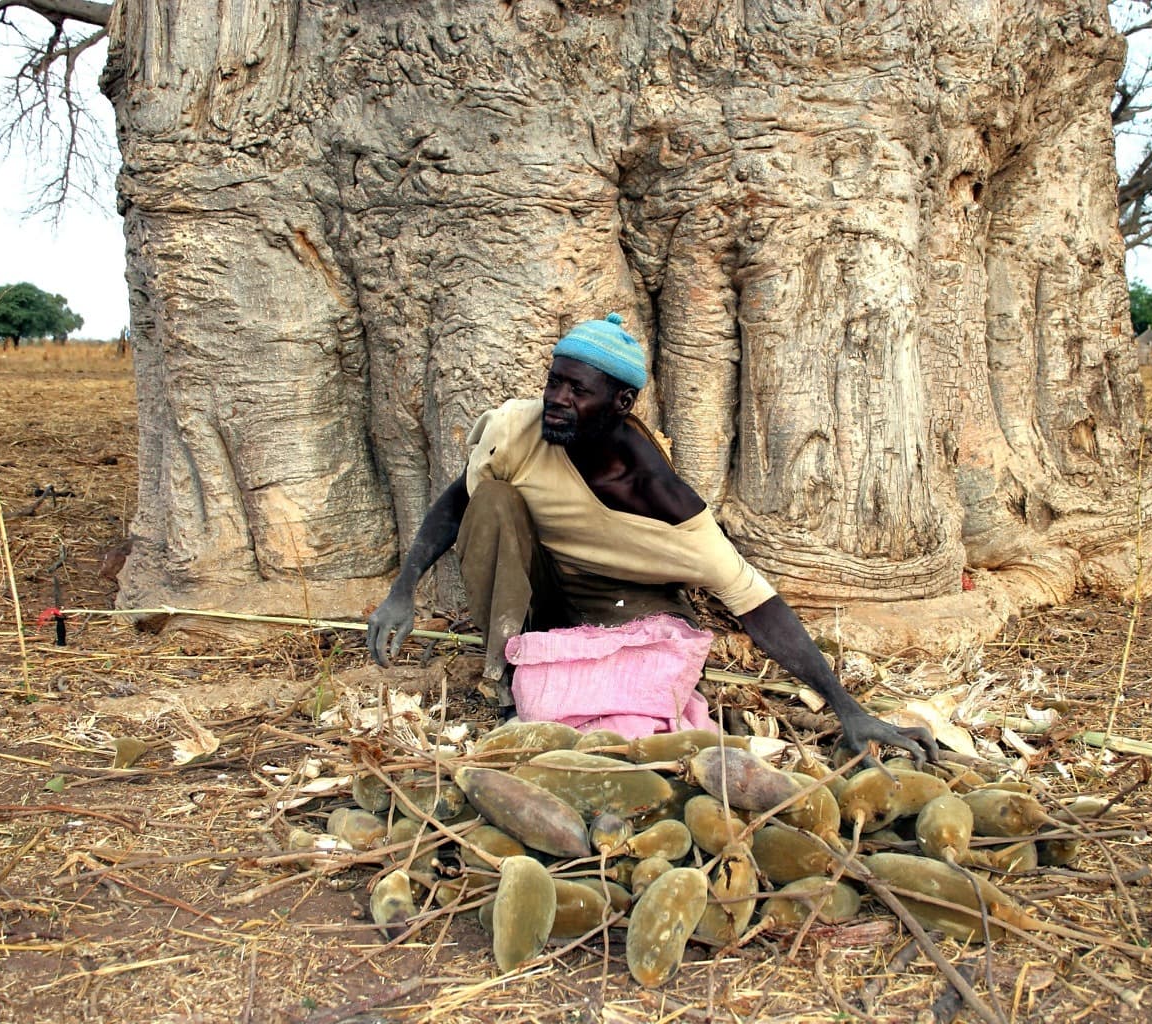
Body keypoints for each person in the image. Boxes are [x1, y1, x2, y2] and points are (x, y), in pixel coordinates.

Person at [366, 314, 937, 764]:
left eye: (577, 390)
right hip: (542, 586)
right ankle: (512, 674)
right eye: (554, 382)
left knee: (639, 696)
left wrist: (848, 709)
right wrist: (403, 588)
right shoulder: (519, 429)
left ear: (621, 404)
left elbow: (758, 605)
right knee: (492, 500)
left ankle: (570, 684)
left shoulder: (662, 500)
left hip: (625, 601)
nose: (557, 400)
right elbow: (459, 500)